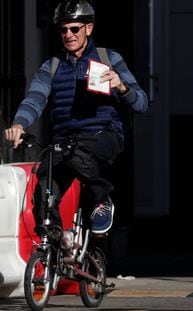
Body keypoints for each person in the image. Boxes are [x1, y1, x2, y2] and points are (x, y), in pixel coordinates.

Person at [4, 0, 148, 236]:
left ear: (88, 29)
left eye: (74, 29)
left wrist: (121, 86)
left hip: (103, 135)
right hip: (66, 140)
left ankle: (101, 199)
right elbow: (35, 98)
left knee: (77, 154)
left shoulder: (108, 58)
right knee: (45, 180)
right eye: (63, 30)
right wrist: (19, 124)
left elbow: (141, 102)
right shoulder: (52, 66)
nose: (68, 35)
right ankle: (58, 241)